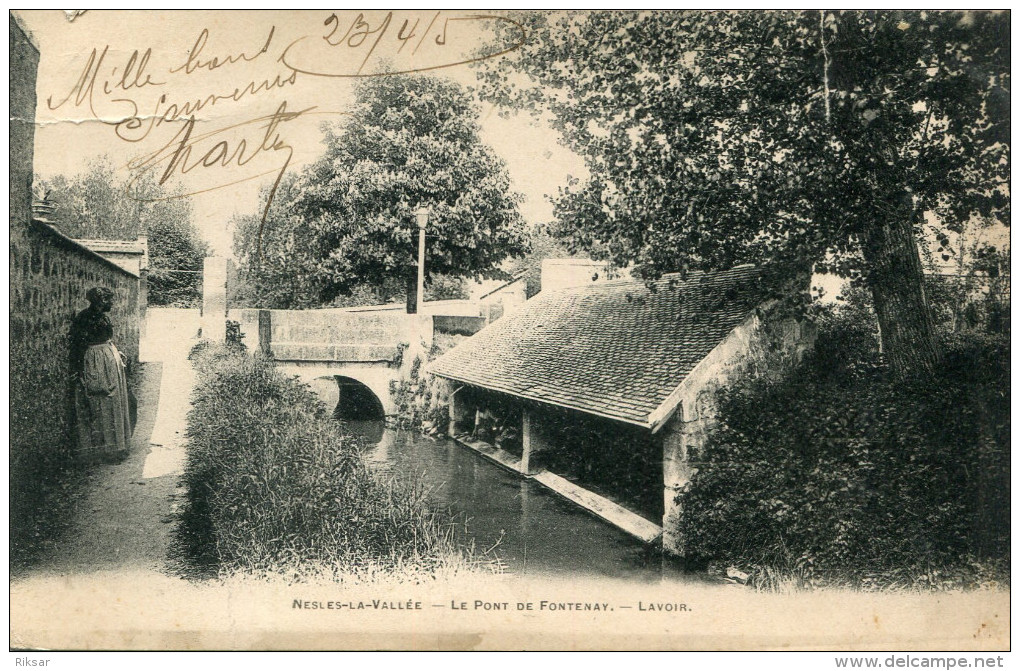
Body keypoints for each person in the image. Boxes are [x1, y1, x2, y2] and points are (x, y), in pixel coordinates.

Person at [70, 287, 132, 463]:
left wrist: (114, 352)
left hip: (109, 362)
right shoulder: (85, 318)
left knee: (115, 401)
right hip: (96, 363)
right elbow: (77, 345)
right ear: (99, 301)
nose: (111, 303)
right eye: (108, 300)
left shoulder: (103, 317)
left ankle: (118, 445)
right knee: (103, 402)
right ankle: (106, 450)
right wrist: (79, 369)